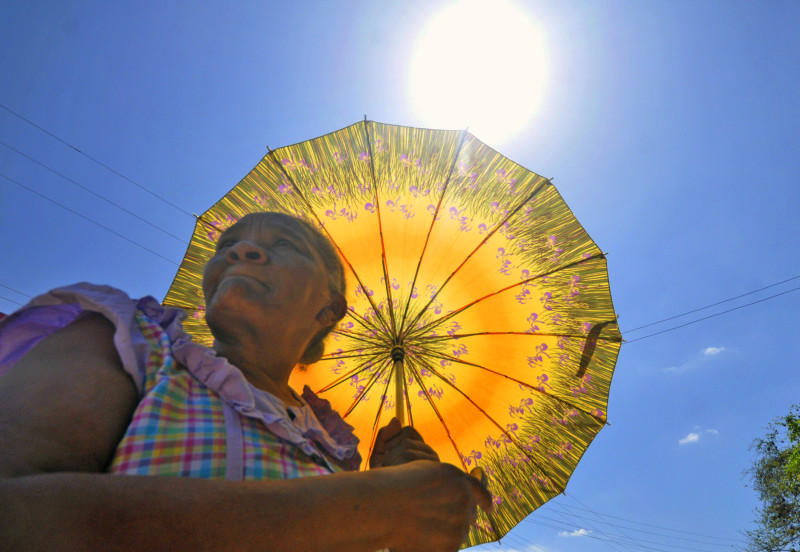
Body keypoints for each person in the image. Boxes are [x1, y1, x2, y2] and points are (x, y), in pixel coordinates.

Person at [0, 212, 491, 551]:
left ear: (328, 309)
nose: (244, 251)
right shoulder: (128, 343)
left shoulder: (337, 453)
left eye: (283, 246)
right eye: (228, 246)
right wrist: (377, 507)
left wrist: (397, 505)